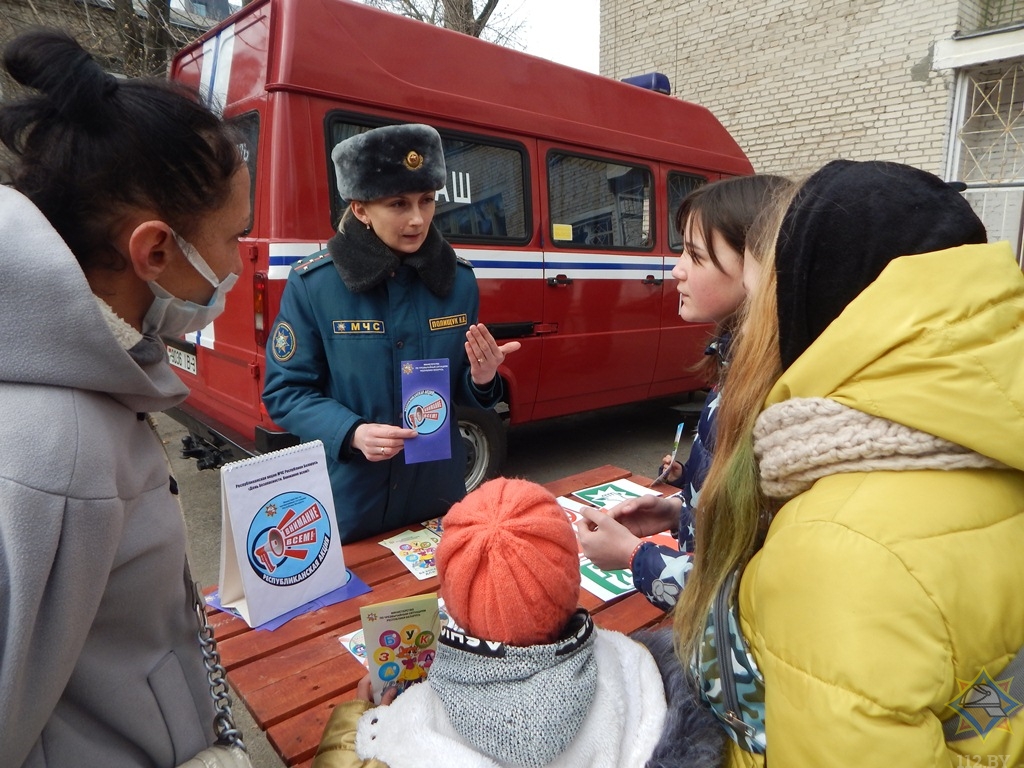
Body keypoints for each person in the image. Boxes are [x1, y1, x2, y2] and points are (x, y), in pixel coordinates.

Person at [673, 160, 1024, 766]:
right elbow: (988, 689)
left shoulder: (836, 547)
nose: (756, 313)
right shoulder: (987, 433)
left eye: (768, 284)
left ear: (820, 296)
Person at [0, 30, 249, 767]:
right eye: (236, 236)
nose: (240, 263)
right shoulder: (55, 449)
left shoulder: (91, 380)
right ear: (155, 251)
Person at [312, 477, 726, 768]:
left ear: (453, 605)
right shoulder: (635, 665)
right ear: (571, 577)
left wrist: (355, 722)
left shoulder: (410, 718)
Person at [262, 124, 519, 543]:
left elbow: (460, 392)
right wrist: (352, 432)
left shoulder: (459, 282)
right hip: (351, 502)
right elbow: (285, 392)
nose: (417, 219)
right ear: (360, 209)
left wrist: (483, 379)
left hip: (437, 495)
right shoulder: (314, 285)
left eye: (427, 200)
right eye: (398, 203)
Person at [577, 174, 792, 611]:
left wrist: (634, 557)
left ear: (757, 266)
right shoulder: (738, 369)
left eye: (694, 254)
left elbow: (745, 595)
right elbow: (739, 522)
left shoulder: (778, 401)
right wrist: (680, 513)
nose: (676, 269)